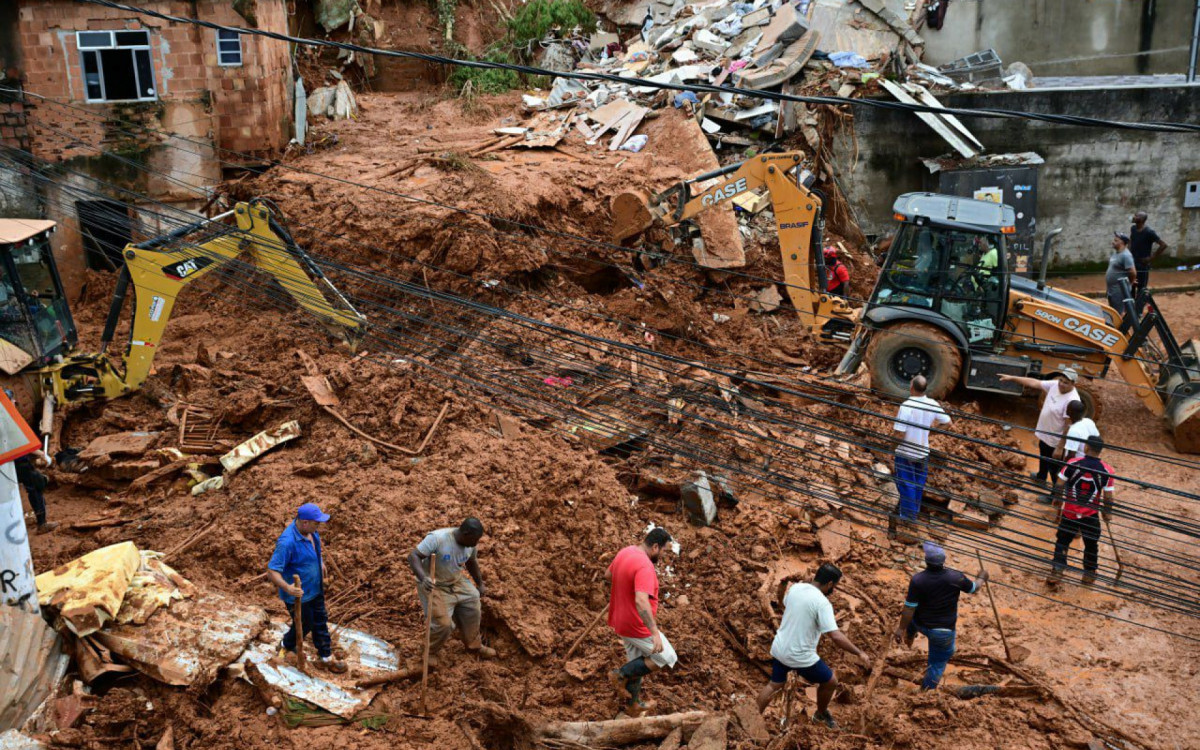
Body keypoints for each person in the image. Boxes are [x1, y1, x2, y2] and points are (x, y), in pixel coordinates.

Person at [756, 563, 871, 729]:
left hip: (780, 648)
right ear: (830, 584)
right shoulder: (822, 603)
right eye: (835, 586)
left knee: (774, 684)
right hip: (799, 656)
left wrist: (782, 586)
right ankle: (820, 714)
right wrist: (859, 653)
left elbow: (783, 603)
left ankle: (751, 718)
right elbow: (835, 636)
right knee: (830, 682)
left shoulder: (796, 588)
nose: (833, 590)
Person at [893, 542, 987, 690]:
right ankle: (927, 693)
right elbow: (974, 589)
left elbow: (909, 608)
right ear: (943, 561)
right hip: (942, 632)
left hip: (920, 623)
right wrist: (981, 577)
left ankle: (909, 638)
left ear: (926, 561)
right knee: (937, 663)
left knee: (912, 620)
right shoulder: (956, 577)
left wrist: (900, 629)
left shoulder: (918, 580)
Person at [267, 502, 347, 673]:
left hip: (315, 589)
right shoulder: (287, 543)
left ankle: (325, 655)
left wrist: (320, 562)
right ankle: (286, 644)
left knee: (320, 619)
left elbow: (315, 551)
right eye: (316, 522)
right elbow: (272, 571)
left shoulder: (312, 532)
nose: (319, 526)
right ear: (304, 522)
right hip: (298, 595)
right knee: (305, 623)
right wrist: (288, 588)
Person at [607, 527, 677, 717]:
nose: (663, 556)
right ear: (655, 547)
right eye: (664, 551)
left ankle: (633, 706)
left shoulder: (626, 552)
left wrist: (622, 590)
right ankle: (620, 674)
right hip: (635, 625)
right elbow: (641, 600)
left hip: (619, 619)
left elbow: (609, 576)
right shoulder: (645, 566)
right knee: (666, 656)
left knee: (636, 660)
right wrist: (654, 632)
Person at [408, 518, 495, 665]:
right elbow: (413, 556)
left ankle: (474, 646)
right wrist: (423, 578)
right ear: (466, 533)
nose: (476, 543)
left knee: (473, 602)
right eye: (475, 539)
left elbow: (471, 562)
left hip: (455, 580)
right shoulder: (438, 538)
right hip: (434, 583)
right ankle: (430, 651)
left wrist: (480, 584)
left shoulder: (470, 545)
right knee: (444, 624)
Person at [1049, 436, 1115, 587]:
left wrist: (1057, 500)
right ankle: (1089, 574)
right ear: (1100, 451)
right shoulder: (1107, 471)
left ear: (1085, 447)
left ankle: (1057, 570)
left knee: (1063, 541)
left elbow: (1059, 485)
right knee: (1091, 544)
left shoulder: (1072, 463)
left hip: (1069, 513)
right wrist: (1107, 513)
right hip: (1090, 515)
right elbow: (1108, 497)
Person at [998, 371, 1080, 492]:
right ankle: (1041, 477)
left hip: (1056, 440)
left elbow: (1068, 426)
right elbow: (1034, 382)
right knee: (1043, 453)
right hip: (1045, 433)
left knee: (1054, 468)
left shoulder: (1072, 400)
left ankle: (1054, 494)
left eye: (1066, 383)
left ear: (1073, 384)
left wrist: (1060, 447)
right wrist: (1012, 377)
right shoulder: (1055, 385)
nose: (1061, 384)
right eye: (1061, 380)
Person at [892, 375, 951, 526]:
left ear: (911, 388)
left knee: (907, 485)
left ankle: (908, 518)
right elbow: (948, 422)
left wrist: (890, 448)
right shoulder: (932, 404)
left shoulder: (906, 406)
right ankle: (914, 513)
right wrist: (930, 432)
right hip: (923, 452)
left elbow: (899, 434)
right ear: (925, 389)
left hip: (906, 453)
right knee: (918, 484)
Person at [1128, 211, 1169, 297]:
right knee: (1131, 286)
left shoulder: (1149, 232)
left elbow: (1163, 245)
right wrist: (1129, 253)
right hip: (1132, 263)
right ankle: (1131, 308)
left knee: (1141, 288)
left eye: (1136, 216)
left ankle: (1138, 308)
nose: (1134, 217)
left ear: (1142, 219)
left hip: (1142, 265)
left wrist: (1151, 258)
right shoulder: (1133, 228)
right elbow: (1131, 241)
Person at [1105, 232, 1136, 314]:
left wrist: (1129, 284)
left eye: (1116, 240)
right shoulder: (1116, 253)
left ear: (1122, 242)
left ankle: (1120, 327)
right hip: (1112, 289)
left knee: (1117, 313)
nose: (1113, 242)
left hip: (1119, 290)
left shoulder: (1126, 255)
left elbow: (1133, 272)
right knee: (1113, 311)